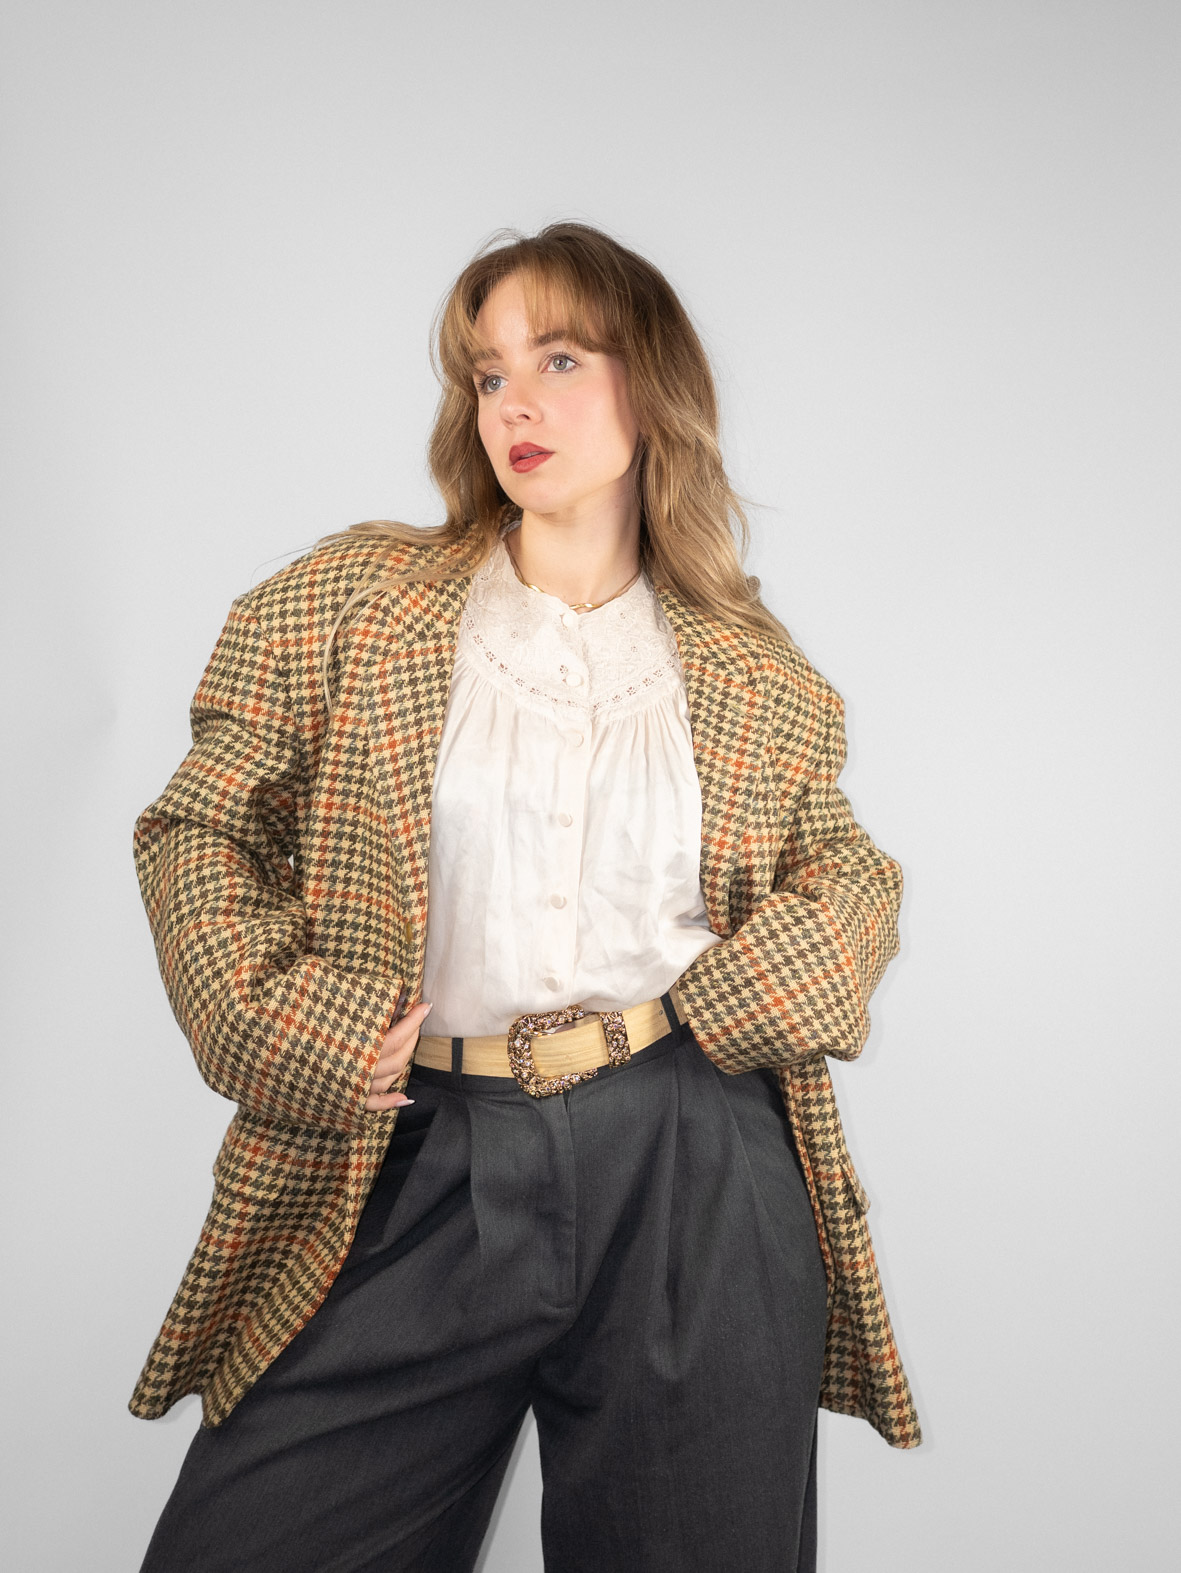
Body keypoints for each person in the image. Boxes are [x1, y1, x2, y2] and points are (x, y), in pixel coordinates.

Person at [131, 221, 921, 1573]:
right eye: (488, 374)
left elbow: (848, 869)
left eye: (558, 359)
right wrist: (277, 1019)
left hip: (691, 1159)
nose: (514, 404)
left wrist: (765, 983)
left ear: (650, 384)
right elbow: (198, 826)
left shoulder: (757, 671)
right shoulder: (346, 602)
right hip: (417, 1149)